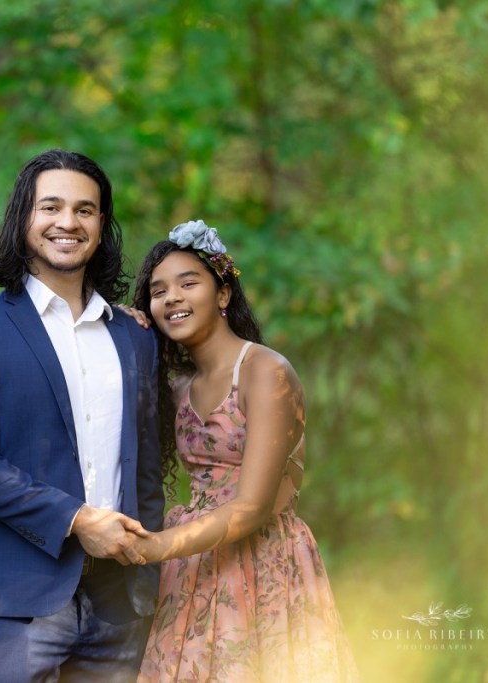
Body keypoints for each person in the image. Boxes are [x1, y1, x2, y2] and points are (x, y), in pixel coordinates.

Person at [0, 149, 165, 682]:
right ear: (24, 218)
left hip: (119, 603)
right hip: (12, 599)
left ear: (102, 226)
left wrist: (149, 579)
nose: (68, 222)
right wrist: (77, 520)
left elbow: (146, 469)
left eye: (85, 210)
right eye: (51, 207)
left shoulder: (135, 337)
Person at [130, 221, 358, 682]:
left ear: (223, 294)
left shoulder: (265, 371)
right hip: (195, 568)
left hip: (262, 560)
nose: (172, 297)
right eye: (158, 291)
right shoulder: (178, 387)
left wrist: (156, 546)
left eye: (188, 283)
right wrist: (122, 327)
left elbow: (252, 507)